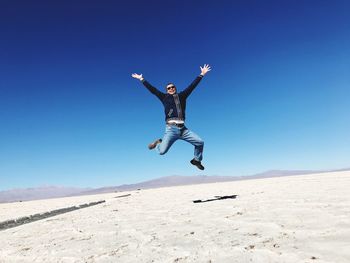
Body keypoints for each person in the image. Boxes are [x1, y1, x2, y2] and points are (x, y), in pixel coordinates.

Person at [131, 64, 211, 170]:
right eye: (169, 88)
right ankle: (159, 143)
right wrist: (141, 79)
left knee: (200, 142)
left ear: (175, 88)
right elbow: (153, 90)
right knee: (161, 152)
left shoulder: (182, 96)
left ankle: (196, 160)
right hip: (171, 129)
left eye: (173, 87)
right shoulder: (164, 97)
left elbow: (192, 86)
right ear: (167, 90)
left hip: (183, 130)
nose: (171, 89)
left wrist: (202, 74)